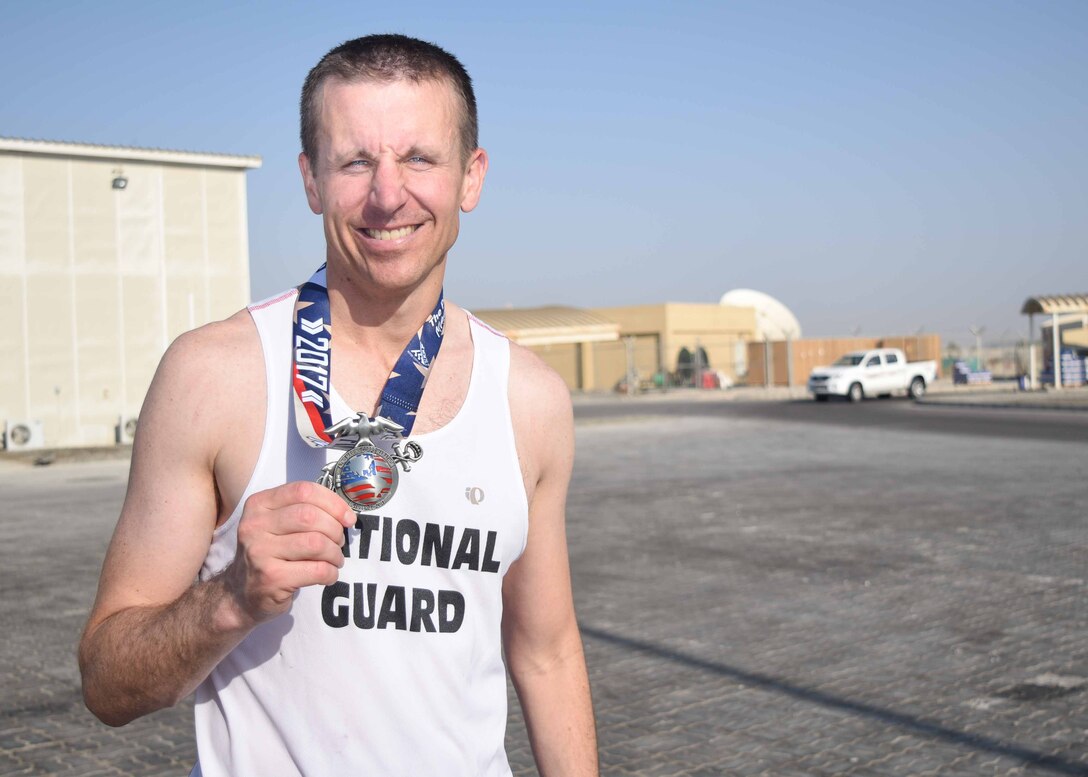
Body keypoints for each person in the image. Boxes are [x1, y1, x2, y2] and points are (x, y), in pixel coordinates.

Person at [79, 34, 598, 776]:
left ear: (471, 176)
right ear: (311, 180)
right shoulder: (213, 376)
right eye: (356, 161)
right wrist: (229, 598)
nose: (388, 194)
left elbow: (546, 654)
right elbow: (107, 683)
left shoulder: (530, 398)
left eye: (419, 158)